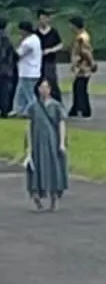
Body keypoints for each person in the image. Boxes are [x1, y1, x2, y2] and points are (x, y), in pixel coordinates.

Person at [24, 77, 68, 209]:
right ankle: (36, 195)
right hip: (37, 142)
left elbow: (61, 123)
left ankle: (54, 197)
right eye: (41, 87)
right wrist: (29, 146)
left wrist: (61, 143)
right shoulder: (33, 106)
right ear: (37, 89)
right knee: (35, 168)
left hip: (52, 141)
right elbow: (28, 125)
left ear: (50, 89)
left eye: (46, 87)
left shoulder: (56, 105)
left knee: (54, 167)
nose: (44, 90)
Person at [65, 16, 96, 117]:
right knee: (78, 87)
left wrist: (90, 63)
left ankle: (84, 109)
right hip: (83, 66)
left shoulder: (81, 38)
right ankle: (77, 108)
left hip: (83, 67)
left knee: (80, 88)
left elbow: (84, 52)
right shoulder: (83, 35)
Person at [13, 21, 42, 118]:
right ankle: (20, 111)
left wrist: (19, 42)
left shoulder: (28, 42)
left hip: (28, 72)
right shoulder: (36, 38)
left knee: (29, 95)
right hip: (32, 71)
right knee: (20, 93)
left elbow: (17, 54)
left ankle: (35, 111)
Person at [36, 11, 62, 99]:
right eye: (41, 19)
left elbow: (60, 45)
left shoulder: (53, 32)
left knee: (51, 80)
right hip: (38, 61)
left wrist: (51, 50)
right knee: (39, 81)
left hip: (50, 60)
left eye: (45, 18)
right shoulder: (36, 33)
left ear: (48, 19)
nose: (43, 21)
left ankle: (56, 100)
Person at [0, 19, 16, 117]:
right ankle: (5, 110)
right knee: (5, 91)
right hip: (7, 69)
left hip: (2, 68)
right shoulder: (7, 38)